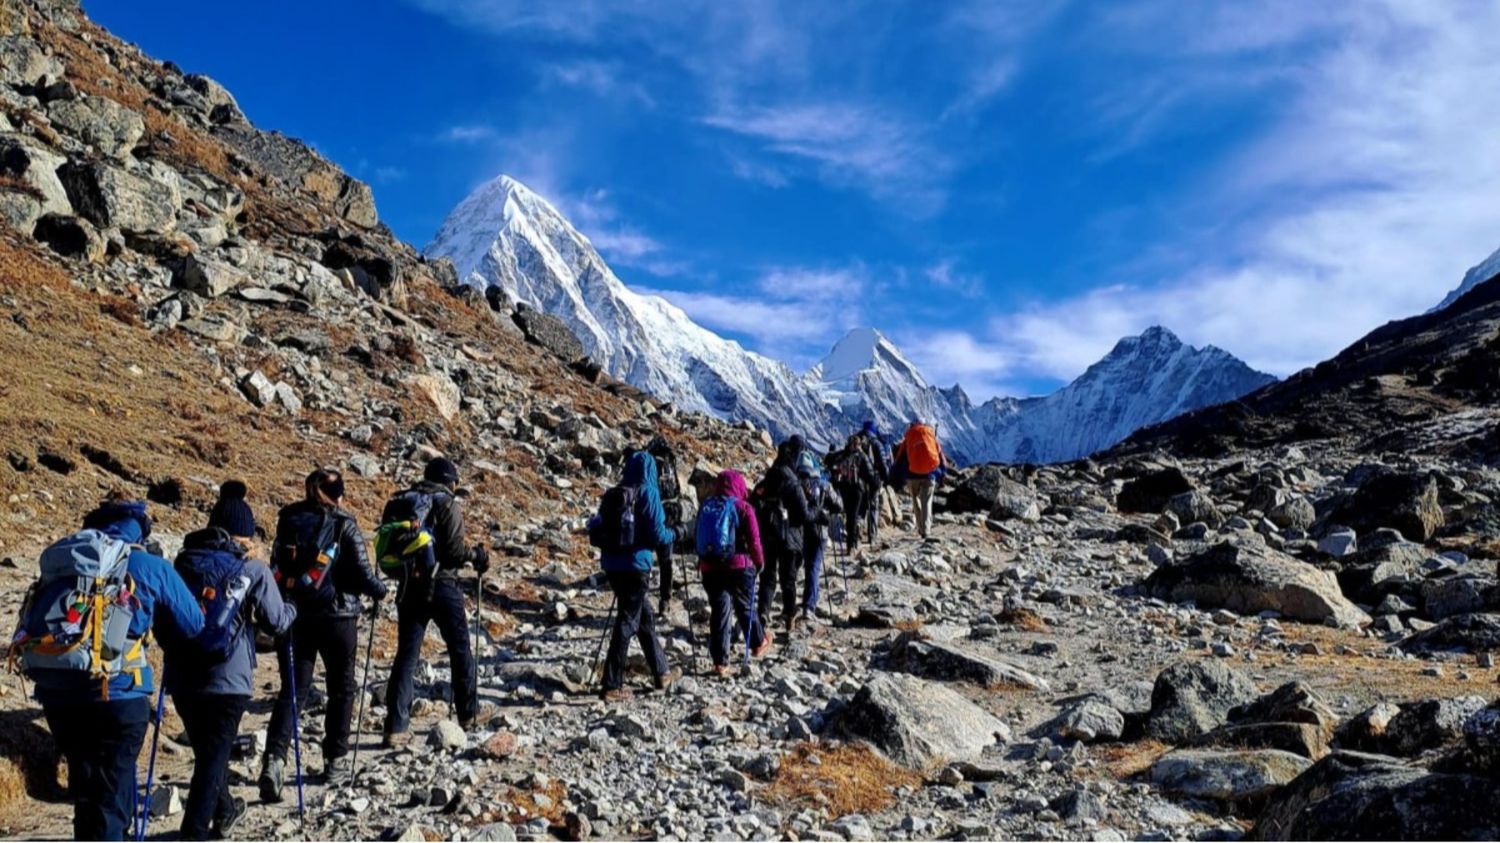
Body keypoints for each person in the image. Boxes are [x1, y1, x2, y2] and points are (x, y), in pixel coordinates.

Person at [18, 494, 204, 841]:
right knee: (111, 799)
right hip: (118, 695)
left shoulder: (68, 564)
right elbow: (194, 626)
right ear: (139, 531)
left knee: (88, 794)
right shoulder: (149, 566)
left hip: (59, 694)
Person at [166, 481, 295, 841]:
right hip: (228, 678)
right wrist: (293, 608)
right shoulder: (251, 568)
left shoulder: (182, 563)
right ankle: (193, 832)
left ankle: (224, 810)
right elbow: (276, 622)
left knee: (210, 753)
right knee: (212, 758)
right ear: (244, 534)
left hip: (183, 675)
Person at [260, 468, 388, 801]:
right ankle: (335, 760)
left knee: (293, 690)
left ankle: (274, 759)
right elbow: (362, 573)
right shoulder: (345, 523)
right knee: (342, 688)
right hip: (338, 617)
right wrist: (380, 590)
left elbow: (276, 563)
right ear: (339, 495)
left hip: (295, 615)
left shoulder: (288, 518)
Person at [382, 458, 492, 746]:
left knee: (407, 655)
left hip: (409, 586)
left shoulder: (404, 501)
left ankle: (395, 727)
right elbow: (454, 552)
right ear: (449, 481)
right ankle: (468, 713)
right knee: (459, 648)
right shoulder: (446, 503)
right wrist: (476, 556)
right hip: (443, 585)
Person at [590, 450, 682, 701]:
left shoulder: (615, 493)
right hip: (636, 566)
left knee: (644, 616)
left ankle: (662, 673)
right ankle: (612, 684)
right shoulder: (648, 493)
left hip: (612, 565)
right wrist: (677, 533)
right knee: (628, 621)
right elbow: (658, 535)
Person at [694, 470, 767, 674]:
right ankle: (758, 643)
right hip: (738, 566)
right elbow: (754, 541)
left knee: (720, 611)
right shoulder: (743, 507)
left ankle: (720, 662)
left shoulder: (706, 506)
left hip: (710, 567)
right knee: (745, 605)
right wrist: (759, 563)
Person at [751, 436, 819, 633]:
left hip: (769, 534)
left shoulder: (768, 478)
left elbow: (754, 499)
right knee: (788, 580)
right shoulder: (793, 483)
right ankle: (790, 617)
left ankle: (763, 612)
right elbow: (804, 514)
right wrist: (816, 511)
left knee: (768, 577)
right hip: (790, 537)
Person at [794, 452, 842, 629]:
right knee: (814, 567)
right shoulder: (823, 484)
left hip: (801, 531)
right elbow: (839, 505)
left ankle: (802, 603)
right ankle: (809, 606)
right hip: (820, 531)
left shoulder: (796, 483)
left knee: (806, 567)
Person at [644, 436, 688, 616]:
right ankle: (665, 600)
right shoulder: (670, 462)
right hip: (670, 515)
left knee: (645, 556)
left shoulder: (649, 462)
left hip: (652, 514)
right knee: (666, 561)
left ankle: (641, 599)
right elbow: (677, 489)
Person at [891, 420, 950, 540]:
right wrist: (943, 472)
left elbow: (899, 458)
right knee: (927, 501)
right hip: (930, 474)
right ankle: (926, 530)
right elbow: (941, 456)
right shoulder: (930, 435)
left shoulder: (908, 437)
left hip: (912, 475)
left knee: (915, 499)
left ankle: (920, 528)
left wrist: (893, 474)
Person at [825, 434, 877, 551]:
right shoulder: (862, 456)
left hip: (844, 488)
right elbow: (870, 474)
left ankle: (851, 541)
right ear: (859, 445)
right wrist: (873, 486)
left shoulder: (842, 454)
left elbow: (829, 460)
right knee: (853, 514)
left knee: (849, 514)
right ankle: (852, 543)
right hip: (858, 489)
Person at [854, 421, 889, 541]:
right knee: (873, 506)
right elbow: (883, 464)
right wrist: (886, 478)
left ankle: (857, 527)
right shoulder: (876, 443)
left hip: (858, 480)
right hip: (874, 479)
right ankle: (872, 536)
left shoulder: (856, 442)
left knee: (861, 505)